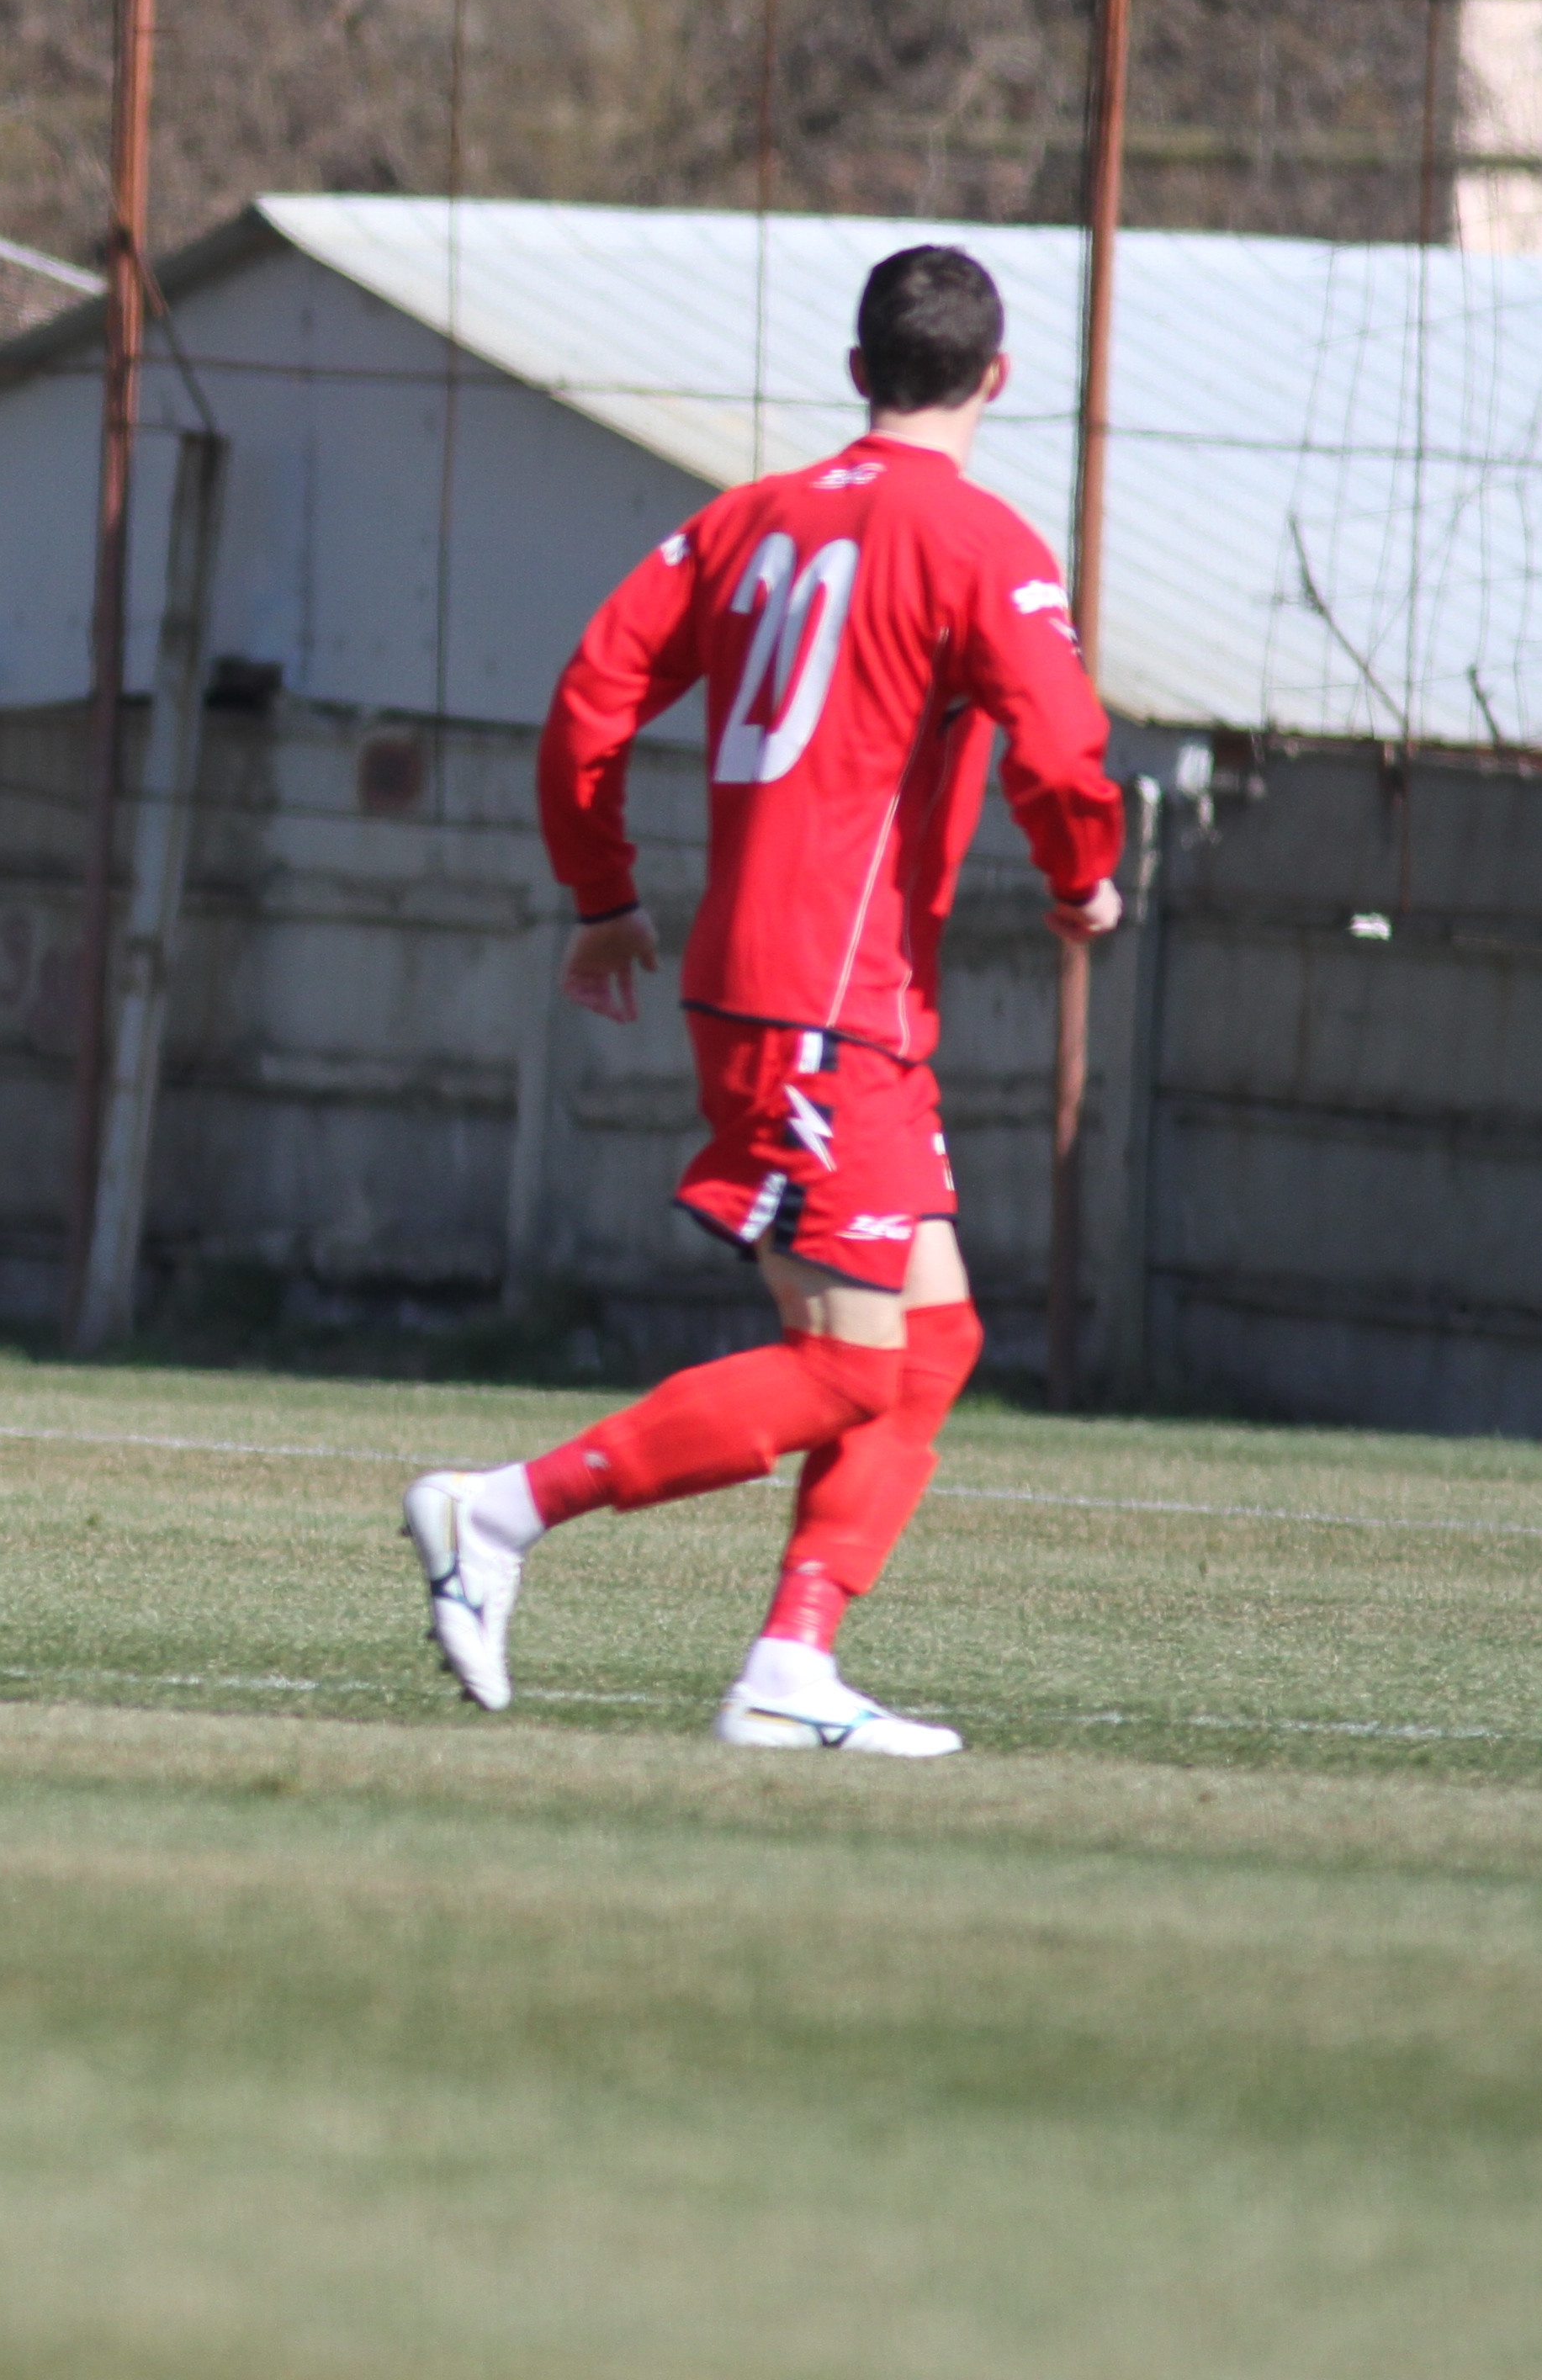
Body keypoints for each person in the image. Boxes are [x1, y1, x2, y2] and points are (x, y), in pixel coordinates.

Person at [405, 244, 1123, 1756]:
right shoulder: (982, 542)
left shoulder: (743, 521)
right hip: (822, 997)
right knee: (845, 1361)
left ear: (858, 373)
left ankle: (790, 1661)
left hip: (798, 987)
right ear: (996, 379)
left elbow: (586, 699)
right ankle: (499, 1513)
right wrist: (1079, 880)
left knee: (927, 1346)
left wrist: (603, 896)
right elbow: (1059, 752)